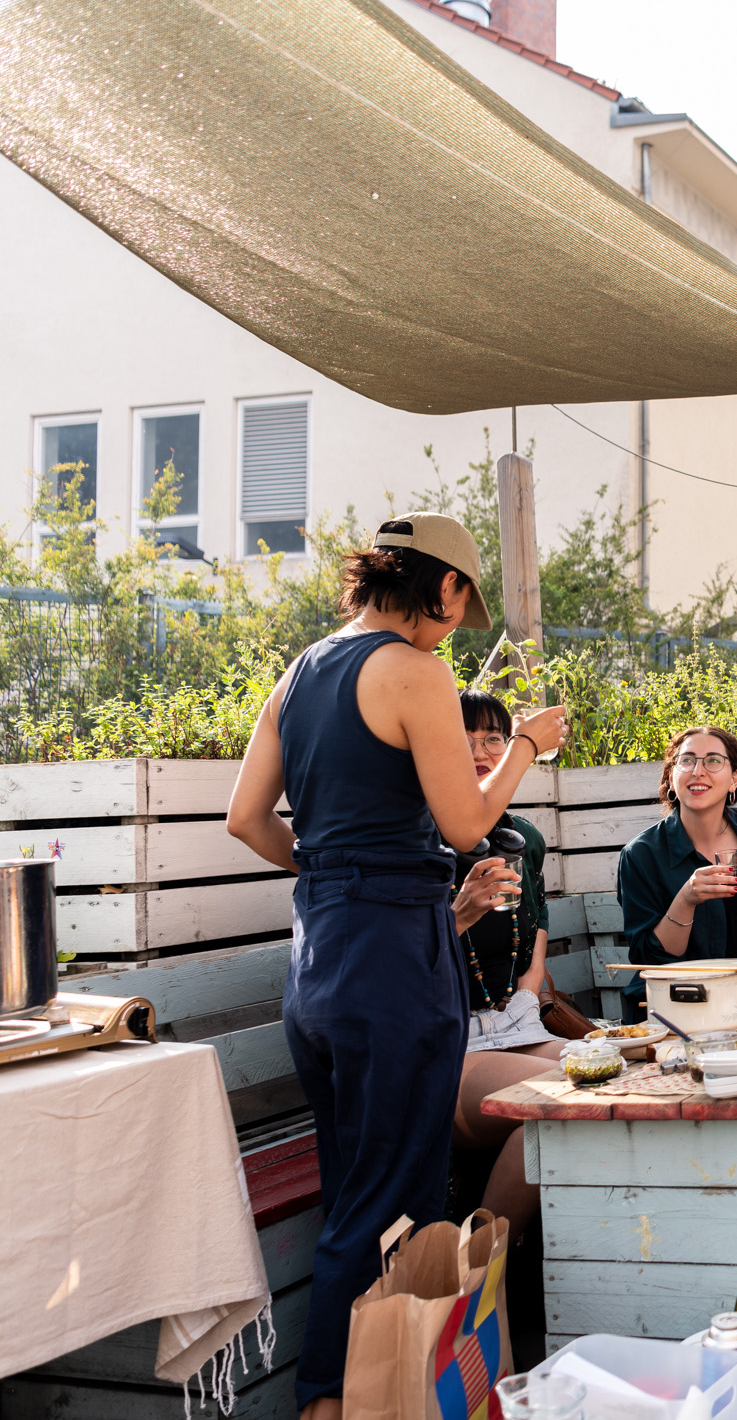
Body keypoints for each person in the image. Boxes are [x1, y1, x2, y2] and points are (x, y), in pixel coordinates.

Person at [225, 512, 565, 1420]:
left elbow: (247, 820)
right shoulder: (414, 669)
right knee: (390, 1197)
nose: (456, 626)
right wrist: (527, 744)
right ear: (444, 587)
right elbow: (464, 825)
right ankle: (327, 1401)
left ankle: (364, 1396)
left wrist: (337, 869)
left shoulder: (297, 674)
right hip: (391, 960)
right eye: (461, 606)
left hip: (320, 957)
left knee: (355, 1187)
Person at [447, 689, 566, 1255]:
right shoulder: (422, 839)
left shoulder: (523, 838)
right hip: (448, 1047)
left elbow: (535, 920)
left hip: (511, 1027)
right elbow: (402, 961)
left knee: (616, 1075)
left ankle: (493, 1277)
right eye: (464, 739)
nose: (481, 749)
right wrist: (461, 913)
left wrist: (529, 983)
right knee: (563, 1106)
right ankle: (478, 1283)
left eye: (494, 737)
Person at [617, 726, 737, 1019]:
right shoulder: (641, 855)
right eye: (687, 760)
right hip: (680, 1008)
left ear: (734, 779)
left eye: (713, 760)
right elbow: (650, 960)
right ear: (670, 776)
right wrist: (686, 899)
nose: (698, 771)